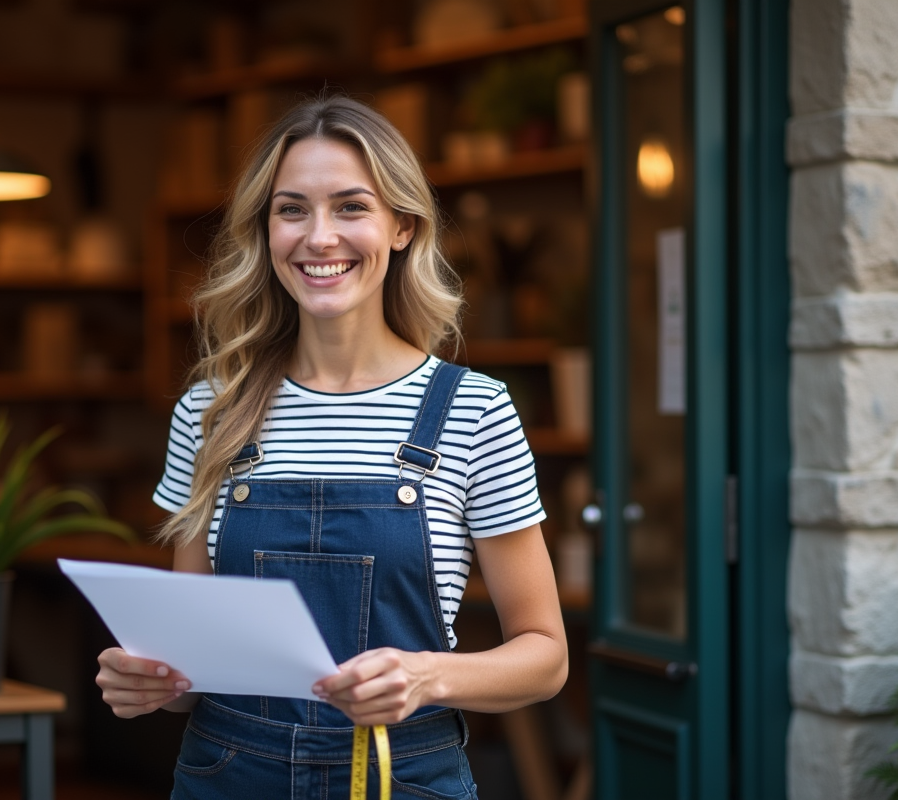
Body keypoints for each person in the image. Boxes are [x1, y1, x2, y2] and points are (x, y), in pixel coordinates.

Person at [95, 95, 569, 799]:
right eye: (292, 210)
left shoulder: (474, 410)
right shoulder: (211, 412)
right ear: (266, 231)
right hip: (229, 774)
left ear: (402, 226)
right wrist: (152, 681)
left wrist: (425, 675)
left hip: (403, 775)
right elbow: (191, 671)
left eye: (351, 207)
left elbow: (545, 656)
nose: (319, 237)